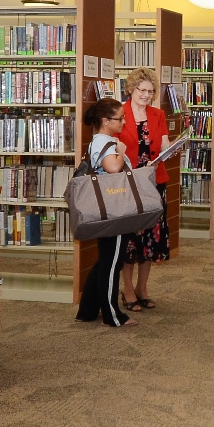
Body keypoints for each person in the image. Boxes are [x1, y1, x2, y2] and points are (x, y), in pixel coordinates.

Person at [74, 98, 135, 327]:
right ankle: (112, 315)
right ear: (105, 121)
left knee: (105, 260)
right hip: (113, 208)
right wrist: (120, 151)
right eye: (119, 118)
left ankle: (87, 310)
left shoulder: (100, 140)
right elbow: (113, 167)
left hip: (108, 207)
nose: (123, 122)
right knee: (112, 262)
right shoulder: (105, 142)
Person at [118, 67, 171, 310]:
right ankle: (127, 290)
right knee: (129, 240)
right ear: (132, 88)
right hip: (128, 184)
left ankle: (143, 287)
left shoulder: (158, 115)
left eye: (151, 91)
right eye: (142, 90)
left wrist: (170, 150)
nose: (146, 95)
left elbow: (163, 145)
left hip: (153, 182)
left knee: (151, 239)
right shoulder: (119, 113)